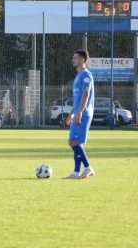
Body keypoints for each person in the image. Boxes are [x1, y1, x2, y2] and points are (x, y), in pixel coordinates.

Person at [64, 49, 95, 179]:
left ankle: (88, 168)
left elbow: (86, 94)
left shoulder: (86, 75)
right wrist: (71, 113)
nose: (73, 60)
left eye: (76, 58)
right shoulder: (78, 76)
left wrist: (80, 112)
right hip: (77, 113)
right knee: (74, 142)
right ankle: (76, 172)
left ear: (83, 60)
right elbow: (77, 99)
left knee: (74, 141)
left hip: (84, 113)